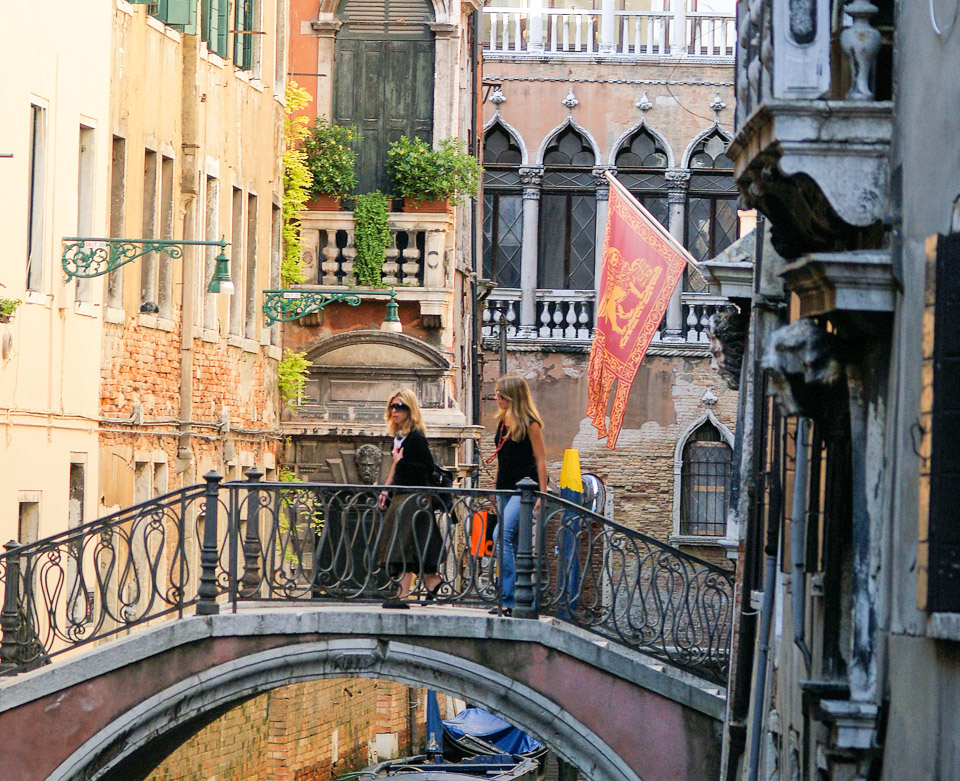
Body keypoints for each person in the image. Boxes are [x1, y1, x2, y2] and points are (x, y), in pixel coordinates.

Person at [376, 388, 443, 608]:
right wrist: (385, 490)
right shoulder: (398, 437)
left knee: (403, 546)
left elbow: (427, 466)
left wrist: (401, 462)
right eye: (392, 406)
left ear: (410, 410)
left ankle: (403, 594)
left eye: (401, 407)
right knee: (407, 546)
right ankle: (431, 582)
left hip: (415, 498)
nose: (395, 411)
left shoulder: (416, 437)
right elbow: (395, 468)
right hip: (400, 497)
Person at [489, 375, 547, 615]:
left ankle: (510, 599)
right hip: (505, 488)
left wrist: (542, 495)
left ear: (512, 396)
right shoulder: (503, 422)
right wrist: (494, 487)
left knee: (500, 536)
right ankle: (520, 600)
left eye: (500, 394)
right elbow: (502, 459)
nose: (496, 398)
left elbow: (541, 460)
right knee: (510, 541)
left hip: (525, 490)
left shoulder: (531, 424)